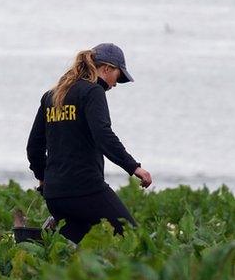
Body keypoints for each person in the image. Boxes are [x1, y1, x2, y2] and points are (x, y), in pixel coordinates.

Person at [26, 43, 153, 244]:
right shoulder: (93, 92)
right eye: (118, 77)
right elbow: (103, 135)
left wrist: (43, 178)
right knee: (132, 239)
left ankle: (43, 250)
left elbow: (34, 147)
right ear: (106, 69)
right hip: (86, 190)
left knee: (71, 248)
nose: (116, 84)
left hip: (55, 196)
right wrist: (134, 167)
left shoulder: (50, 97)